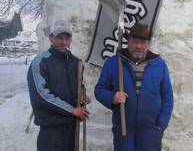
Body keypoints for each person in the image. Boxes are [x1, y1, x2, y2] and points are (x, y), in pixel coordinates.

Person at [95, 22, 173, 151]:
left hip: (151, 128)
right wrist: (112, 97)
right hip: (124, 127)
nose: (138, 46)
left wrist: (161, 123)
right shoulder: (114, 62)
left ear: (148, 44)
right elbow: (100, 89)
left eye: (142, 43)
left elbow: (168, 96)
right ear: (128, 42)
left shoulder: (159, 64)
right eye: (134, 41)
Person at [27, 19, 91, 151]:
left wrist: (83, 98)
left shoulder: (76, 63)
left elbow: (80, 88)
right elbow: (41, 96)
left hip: (72, 128)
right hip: (51, 131)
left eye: (67, 38)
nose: (64, 42)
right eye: (59, 37)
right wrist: (72, 110)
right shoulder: (40, 63)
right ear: (51, 38)